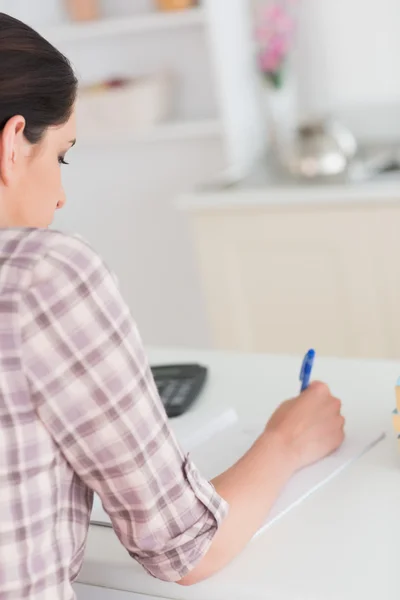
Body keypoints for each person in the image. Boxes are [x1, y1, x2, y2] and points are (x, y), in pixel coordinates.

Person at [0, 12, 345, 600]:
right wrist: (289, 438)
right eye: (61, 155)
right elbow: (184, 548)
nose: (61, 194)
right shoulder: (41, 276)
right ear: (13, 143)